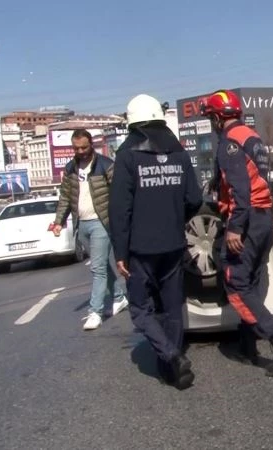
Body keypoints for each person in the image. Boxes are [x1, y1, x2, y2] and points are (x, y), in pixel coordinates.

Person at [200, 89, 273, 377]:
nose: (212, 124)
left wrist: (234, 228)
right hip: (265, 217)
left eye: (211, 118)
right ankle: (248, 342)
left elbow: (241, 190)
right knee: (253, 281)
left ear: (219, 118)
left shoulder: (228, 142)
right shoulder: (251, 137)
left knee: (236, 284)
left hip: (247, 220)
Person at [109, 94, 203, 390]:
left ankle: (172, 356)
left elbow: (119, 210)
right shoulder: (179, 153)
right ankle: (171, 368)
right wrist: (175, 220)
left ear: (132, 123)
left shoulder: (127, 156)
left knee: (140, 309)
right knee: (172, 307)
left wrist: (120, 252)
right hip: (174, 244)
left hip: (140, 249)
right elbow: (195, 199)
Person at [52, 129, 129, 331]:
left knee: (96, 268)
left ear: (91, 145)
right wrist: (59, 221)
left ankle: (95, 312)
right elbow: (65, 198)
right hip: (82, 224)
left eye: (84, 147)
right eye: (76, 148)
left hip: (101, 222)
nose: (81, 151)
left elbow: (119, 194)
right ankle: (119, 297)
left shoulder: (105, 165)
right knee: (101, 265)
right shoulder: (70, 169)